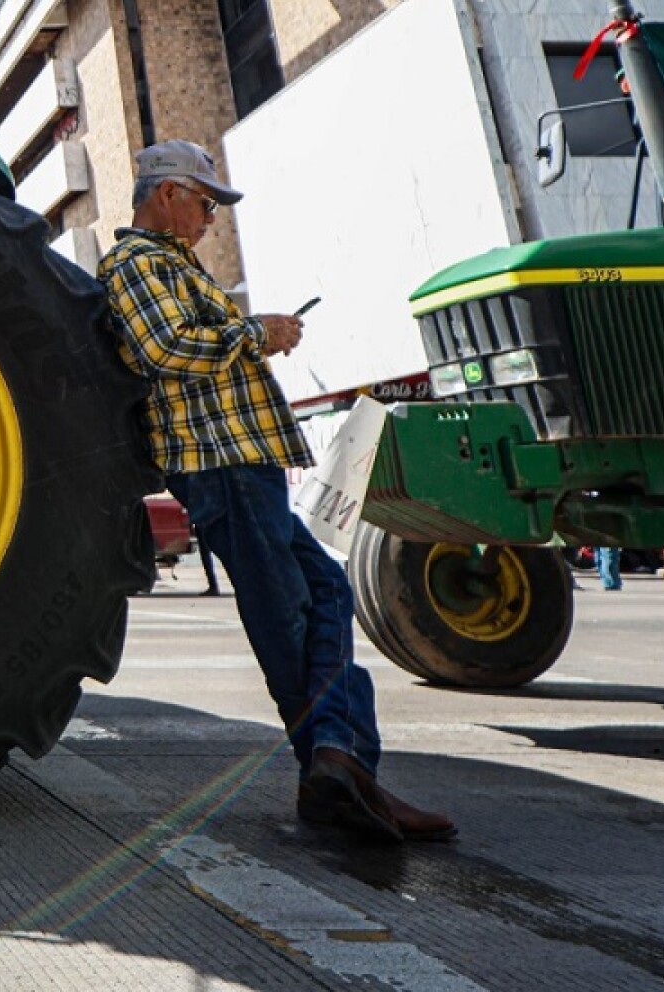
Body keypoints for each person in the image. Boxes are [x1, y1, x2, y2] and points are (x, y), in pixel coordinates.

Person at [98, 140, 456, 845]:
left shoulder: (170, 265)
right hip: (221, 462)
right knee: (288, 615)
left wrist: (247, 334)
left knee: (320, 595)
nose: (209, 218)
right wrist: (253, 333)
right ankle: (338, 768)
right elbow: (162, 349)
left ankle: (339, 764)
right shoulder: (136, 264)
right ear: (167, 193)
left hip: (242, 463)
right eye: (204, 202)